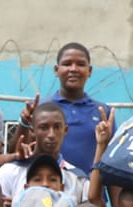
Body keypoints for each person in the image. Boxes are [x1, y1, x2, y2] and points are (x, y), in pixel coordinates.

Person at [40, 42, 112, 171]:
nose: (73, 69)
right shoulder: (41, 108)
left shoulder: (103, 112)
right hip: (50, 186)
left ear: (89, 71)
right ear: (56, 70)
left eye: (81, 64)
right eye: (67, 64)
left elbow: (111, 158)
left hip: (90, 189)